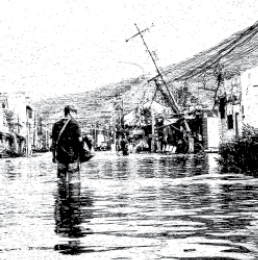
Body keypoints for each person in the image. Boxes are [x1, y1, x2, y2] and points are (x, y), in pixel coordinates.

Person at [51, 105, 83, 181]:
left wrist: (54, 156)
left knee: (61, 181)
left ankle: (62, 192)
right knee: (74, 182)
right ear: (70, 112)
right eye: (75, 112)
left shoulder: (56, 124)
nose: (76, 115)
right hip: (73, 157)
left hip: (60, 157)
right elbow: (80, 141)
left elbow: (53, 143)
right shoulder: (75, 124)